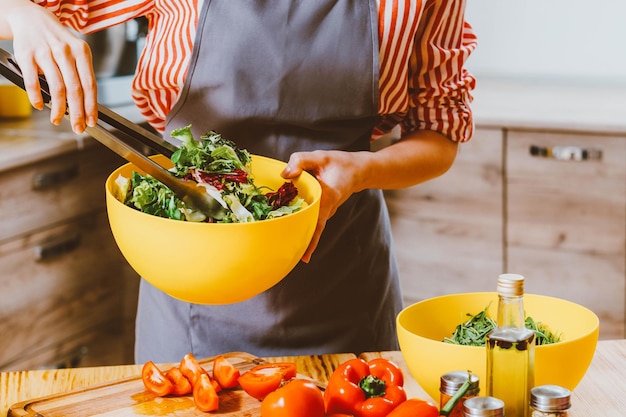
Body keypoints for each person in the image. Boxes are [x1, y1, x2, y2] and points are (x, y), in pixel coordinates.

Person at [0, 0, 477, 363]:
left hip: (341, 282)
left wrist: (362, 170)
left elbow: (441, 132)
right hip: (189, 281)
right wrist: (23, 14)